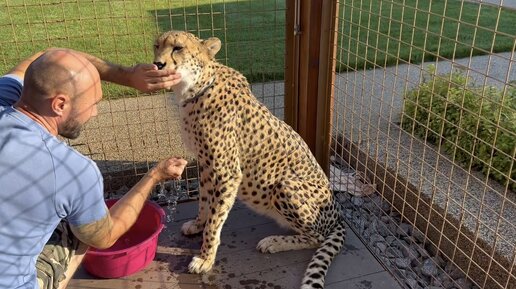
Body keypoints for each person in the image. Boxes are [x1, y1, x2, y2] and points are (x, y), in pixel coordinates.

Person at [0, 48, 188, 289]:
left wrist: (129, 76)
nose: (95, 112)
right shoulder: (73, 171)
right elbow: (105, 237)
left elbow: (49, 55)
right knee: (80, 227)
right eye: (92, 104)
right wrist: (154, 175)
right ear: (59, 104)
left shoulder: (6, 95)